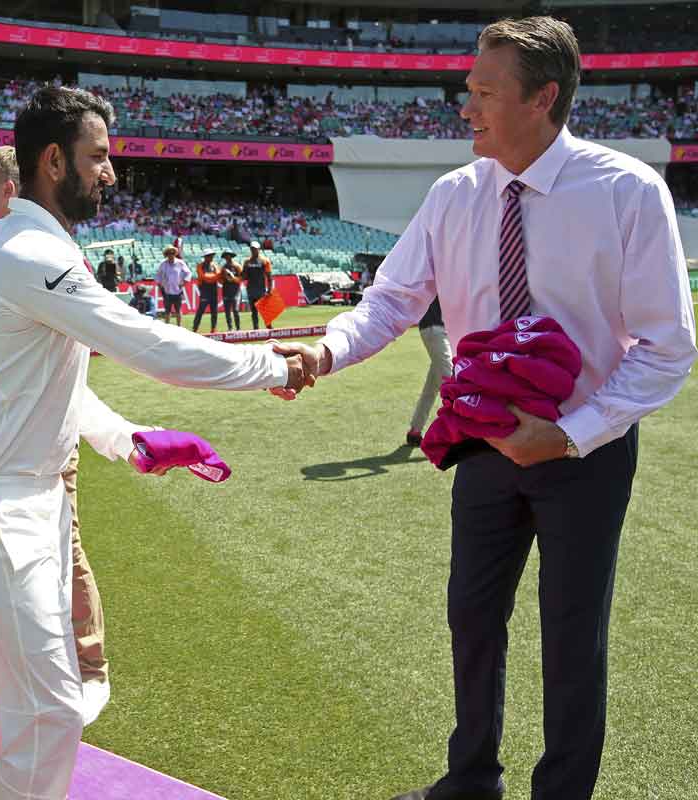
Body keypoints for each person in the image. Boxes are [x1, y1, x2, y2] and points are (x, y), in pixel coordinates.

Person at [274, 18, 697, 800]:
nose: (464, 106)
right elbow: (392, 300)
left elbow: (668, 346)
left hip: (585, 451)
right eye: (467, 89)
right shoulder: (454, 195)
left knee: (573, 636)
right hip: (483, 445)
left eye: (483, 92)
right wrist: (325, 351)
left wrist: (569, 435)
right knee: (471, 619)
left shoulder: (627, 191)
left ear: (543, 98)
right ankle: (471, 781)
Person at [0, 86, 308, 800]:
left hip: (30, 499)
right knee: (51, 709)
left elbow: (57, 385)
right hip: (0, 504)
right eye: (98, 156)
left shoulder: (35, 243)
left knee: (25, 701)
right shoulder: (29, 247)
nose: (111, 172)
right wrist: (275, 366)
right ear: (51, 160)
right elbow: (149, 345)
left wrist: (125, 438)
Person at [0, 144, 168, 726]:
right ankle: (11, 658)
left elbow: (75, 370)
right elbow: (2, 368)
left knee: (64, 556)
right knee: (7, 564)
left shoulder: (39, 258)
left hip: (42, 449)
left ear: (12, 191)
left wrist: (120, 436)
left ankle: (91, 669)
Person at [406, 298, 452, 446]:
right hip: (434, 329)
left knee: (432, 386)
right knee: (451, 383)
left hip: (441, 328)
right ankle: (456, 433)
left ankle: (415, 431)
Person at [156, 244, 190, 326]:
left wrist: (184, 282)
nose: (170, 255)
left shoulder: (180, 263)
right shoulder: (163, 264)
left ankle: (179, 326)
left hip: (178, 290)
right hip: (167, 290)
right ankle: (167, 327)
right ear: (166, 254)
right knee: (167, 311)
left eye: (172, 253)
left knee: (178, 310)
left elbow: (188, 273)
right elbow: (158, 275)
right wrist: (159, 284)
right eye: (168, 253)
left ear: (174, 253)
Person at [242, 240, 272, 329]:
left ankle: (269, 327)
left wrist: (269, 290)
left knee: (265, 310)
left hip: (261, 290)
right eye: (252, 249)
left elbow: (269, 277)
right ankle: (256, 329)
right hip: (250, 289)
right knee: (254, 311)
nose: (253, 250)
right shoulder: (246, 261)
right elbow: (244, 277)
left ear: (259, 249)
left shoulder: (265, 261)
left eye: (255, 249)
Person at [192, 247, 220, 333]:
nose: (211, 257)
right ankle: (195, 328)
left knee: (214, 311)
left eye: (212, 256)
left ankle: (213, 329)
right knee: (201, 310)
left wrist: (212, 277)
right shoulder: (200, 266)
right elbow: (203, 277)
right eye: (209, 256)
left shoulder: (215, 265)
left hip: (213, 290)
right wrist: (213, 277)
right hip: (204, 290)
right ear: (205, 257)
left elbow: (218, 276)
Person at [219, 249, 243, 331]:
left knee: (235, 310)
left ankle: (238, 328)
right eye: (225, 255)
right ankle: (230, 328)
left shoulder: (237, 266)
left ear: (231, 255)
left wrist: (232, 278)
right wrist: (225, 277)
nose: (227, 257)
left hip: (235, 290)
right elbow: (220, 280)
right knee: (227, 310)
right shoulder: (223, 268)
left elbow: (241, 278)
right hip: (226, 290)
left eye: (228, 255)